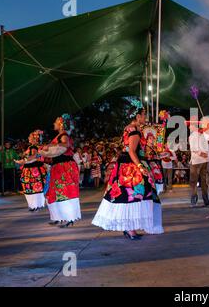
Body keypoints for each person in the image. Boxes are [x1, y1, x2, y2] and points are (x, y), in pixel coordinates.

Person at [92, 103, 163, 240]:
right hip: (131, 168)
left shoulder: (129, 128)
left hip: (126, 166)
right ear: (138, 116)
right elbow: (131, 151)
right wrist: (141, 167)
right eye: (144, 115)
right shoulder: (134, 131)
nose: (145, 117)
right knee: (134, 196)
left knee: (128, 197)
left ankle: (129, 228)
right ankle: (130, 230)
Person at [40, 114, 81, 228]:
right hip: (58, 166)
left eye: (55, 122)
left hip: (65, 166)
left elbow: (65, 144)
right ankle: (59, 217)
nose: (53, 124)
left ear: (61, 124)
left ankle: (70, 218)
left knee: (66, 191)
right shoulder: (59, 135)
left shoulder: (64, 135)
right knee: (56, 192)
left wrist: (50, 145)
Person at [14, 130, 48, 212]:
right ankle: (38, 205)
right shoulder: (38, 147)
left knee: (32, 187)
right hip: (36, 169)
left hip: (32, 170)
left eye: (30, 137)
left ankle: (35, 205)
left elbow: (34, 156)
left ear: (34, 138)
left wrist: (23, 161)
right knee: (37, 187)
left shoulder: (33, 147)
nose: (28, 138)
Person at [187, 117, 209, 207]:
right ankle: (206, 200)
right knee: (204, 181)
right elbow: (208, 146)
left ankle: (194, 199)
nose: (189, 128)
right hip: (205, 160)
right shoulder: (204, 134)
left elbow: (194, 149)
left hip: (197, 161)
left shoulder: (193, 135)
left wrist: (202, 154)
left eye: (190, 126)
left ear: (193, 126)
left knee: (193, 181)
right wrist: (206, 154)